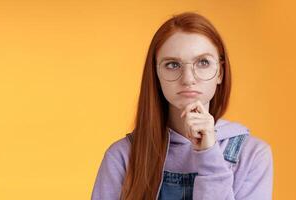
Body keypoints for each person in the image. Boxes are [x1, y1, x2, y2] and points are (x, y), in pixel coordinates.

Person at [91, 12, 273, 200]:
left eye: (203, 62)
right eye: (172, 65)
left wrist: (208, 155)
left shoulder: (252, 155)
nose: (188, 79)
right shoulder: (122, 157)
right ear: (156, 74)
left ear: (220, 73)